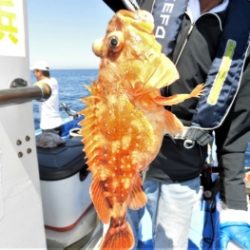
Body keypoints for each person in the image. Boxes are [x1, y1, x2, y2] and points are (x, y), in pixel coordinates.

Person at [102, 0, 250, 249]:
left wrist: (235, 207)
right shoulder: (149, 5)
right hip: (123, 164)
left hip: (182, 173)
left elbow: (233, 136)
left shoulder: (241, 34)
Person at [31, 61, 64, 148]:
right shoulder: (54, 81)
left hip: (48, 126)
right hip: (58, 123)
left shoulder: (40, 85)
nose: (34, 74)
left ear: (39, 72)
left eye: (34, 72)